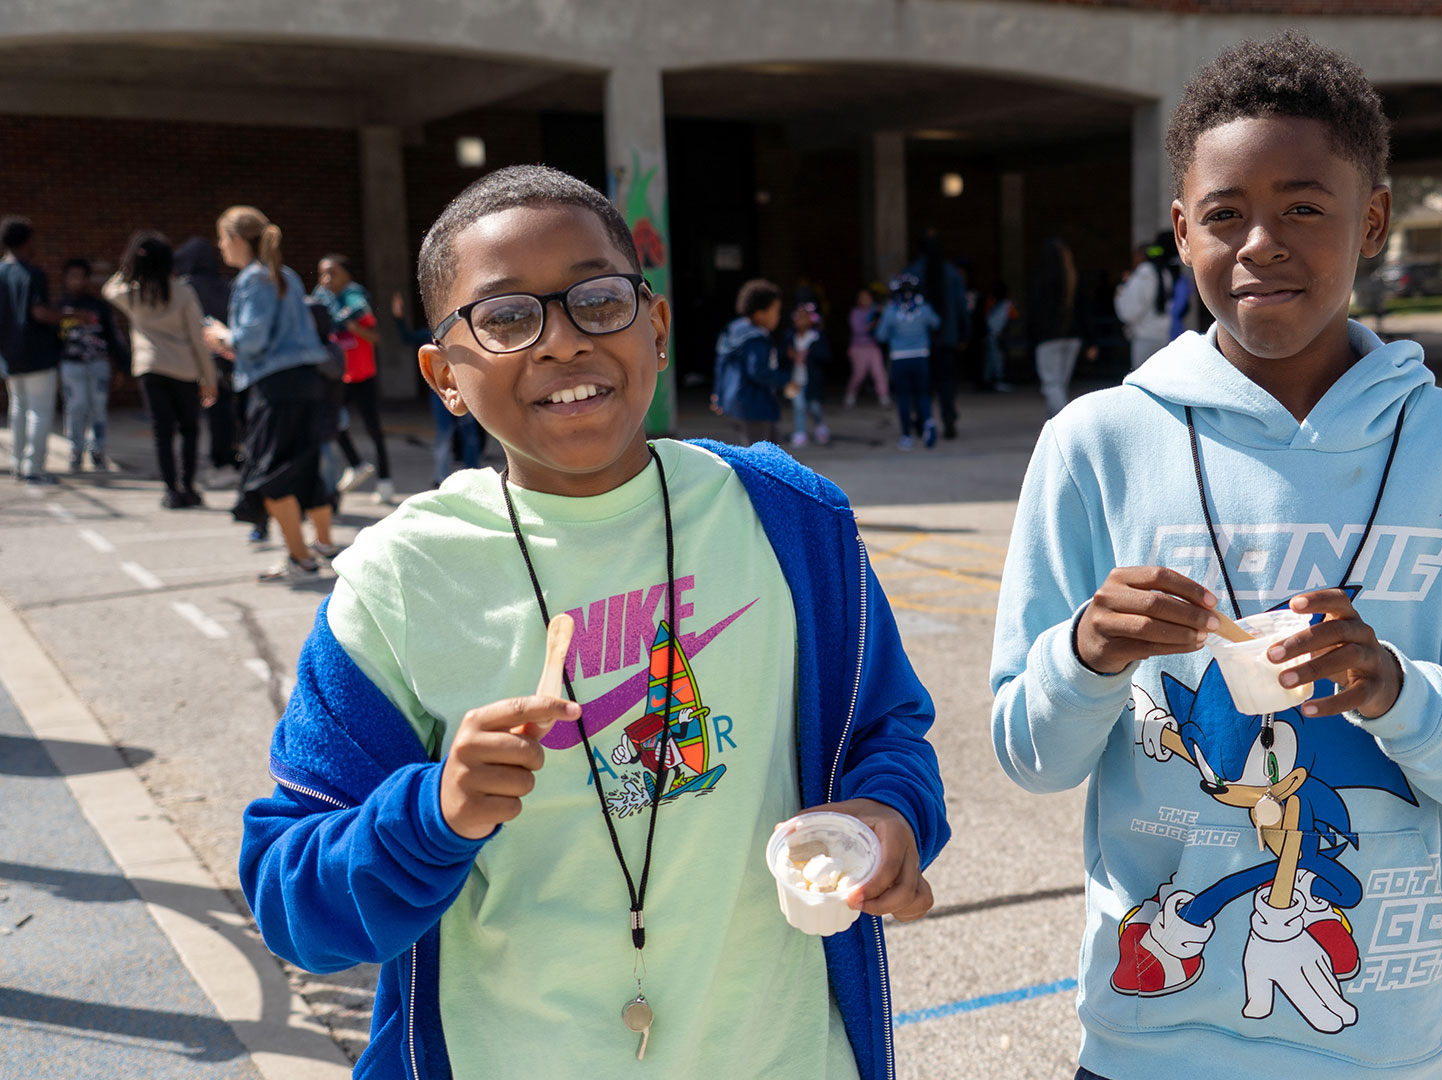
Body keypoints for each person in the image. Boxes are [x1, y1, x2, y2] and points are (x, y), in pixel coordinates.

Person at [237, 164, 949, 1080]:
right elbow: (291, 899)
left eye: (597, 301)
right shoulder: (399, 581)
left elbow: (888, 733)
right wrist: (434, 813)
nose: (561, 343)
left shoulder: (789, 517)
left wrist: (887, 817)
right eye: (504, 319)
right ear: (444, 377)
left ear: (655, 325)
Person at [989, 34, 1442, 1080]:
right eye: (1225, 213)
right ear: (1181, 232)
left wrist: (1401, 693)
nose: (1262, 242)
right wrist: (1083, 654)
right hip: (1146, 1044)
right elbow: (1028, 757)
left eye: (1304, 206)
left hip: (1391, 1045)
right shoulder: (1097, 445)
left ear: (1374, 221)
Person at [203, 205, 341, 581]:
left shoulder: (253, 279)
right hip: (307, 382)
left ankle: (301, 559)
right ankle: (321, 546)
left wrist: (219, 336)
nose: (219, 246)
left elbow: (251, 338)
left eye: (221, 238)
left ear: (235, 239)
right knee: (305, 468)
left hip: (276, 388)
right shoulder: (287, 275)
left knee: (267, 475)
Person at [104, 232, 218, 509]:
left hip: (150, 368)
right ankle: (188, 486)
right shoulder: (181, 291)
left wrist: (134, 260)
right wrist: (210, 380)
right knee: (189, 429)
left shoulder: (130, 292)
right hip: (185, 370)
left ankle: (170, 490)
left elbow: (109, 287)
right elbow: (198, 339)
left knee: (161, 431)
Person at [313, 255, 395, 504]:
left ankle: (385, 480)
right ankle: (356, 463)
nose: (326, 279)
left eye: (332, 273)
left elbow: (375, 337)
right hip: (338, 376)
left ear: (347, 275)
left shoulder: (355, 297)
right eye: (322, 274)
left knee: (373, 429)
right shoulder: (323, 297)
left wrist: (354, 328)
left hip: (362, 375)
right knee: (332, 421)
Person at [392, 290, 483, 484]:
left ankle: (473, 475)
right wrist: (398, 317)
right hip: (443, 392)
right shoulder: (430, 333)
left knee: (469, 434)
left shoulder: (469, 331)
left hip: (466, 388)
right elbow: (407, 338)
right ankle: (442, 477)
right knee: (446, 433)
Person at [0, 217, 65, 483]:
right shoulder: (32, 274)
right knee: (39, 410)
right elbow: (39, 312)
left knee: (17, 408)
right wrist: (69, 315)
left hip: (8, 355)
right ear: (27, 241)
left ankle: (17, 462)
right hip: (36, 353)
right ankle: (33, 467)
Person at [56, 256, 129, 471]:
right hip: (71, 365)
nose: (77, 281)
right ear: (66, 279)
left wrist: (121, 366)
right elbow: (54, 339)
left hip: (98, 364)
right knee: (75, 408)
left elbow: (113, 337)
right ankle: (75, 450)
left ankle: (98, 450)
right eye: (72, 277)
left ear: (87, 279)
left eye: (81, 277)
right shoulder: (60, 307)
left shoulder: (99, 306)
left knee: (98, 408)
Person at [177, 237, 242, 473]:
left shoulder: (185, 286)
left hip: (201, 356)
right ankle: (228, 453)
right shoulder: (226, 284)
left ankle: (217, 459)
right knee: (227, 409)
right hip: (228, 354)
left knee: (207, 412)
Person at [712, 279, 788, 445]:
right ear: (760, 313)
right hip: (755, 406)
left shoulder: (733, 329)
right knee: (761, 457)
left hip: (735, 402)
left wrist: (718, 394)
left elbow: (721, 364)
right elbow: (758, 371)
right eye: (776, 311)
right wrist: (786, 381)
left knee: (773, 449)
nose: (778, 316)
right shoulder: (756, 339)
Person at [906, 230, 967, 439]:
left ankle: (922, 421)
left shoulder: (913, 272)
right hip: (947, 338)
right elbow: (961, 306)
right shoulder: (951, 273)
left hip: (918, 340)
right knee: (947, 381)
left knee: (922, 383)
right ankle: (948, 417)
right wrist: (964, 332)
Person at [874, 273, 941, 451]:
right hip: (920, 356)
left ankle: (906, 436)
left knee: (903, 397)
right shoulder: (924, 308)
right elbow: (936, 323)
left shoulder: (890, 311)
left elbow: (881, 335)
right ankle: (928, 422)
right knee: (922, 394)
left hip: (899, 358)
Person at [1028, 236, 1082, 417]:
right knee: (1060, 385)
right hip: (1072, 337)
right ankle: (1051, 425)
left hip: (1049, 338)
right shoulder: (1073, 278)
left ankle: (1064, 424)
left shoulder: (1041, 280)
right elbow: (1084, 310)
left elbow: (1034, 313)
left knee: (1052, 385)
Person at [1114, 233, 1178, 371]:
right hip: (1162, 333)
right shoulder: (1165, 273)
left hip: (1144, 335)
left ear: (1141, 256)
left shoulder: (1143, 275)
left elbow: (1130, 312)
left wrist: (1122, 290)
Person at [785, 301, 830, 447]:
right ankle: (800, 432)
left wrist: (809, 354)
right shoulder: (790, 336)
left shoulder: (817, 336)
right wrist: (789, 354)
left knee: (814, 406)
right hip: (795, 378)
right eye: (797, 317)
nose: (799, 320)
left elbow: (826, 356)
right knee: (798, 406)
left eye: (804, 317)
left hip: (812, 379)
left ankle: (819, 425)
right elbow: (781, 353)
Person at [842, 287, 889, 407]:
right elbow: (858, 330)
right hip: (859, 347)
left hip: (873, 346)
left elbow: (885, 322)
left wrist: (881, 314)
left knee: (879, 373)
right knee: (859, 374)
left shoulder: (875, 310)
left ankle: (884, 396)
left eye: (867, 298)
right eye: (862, 298)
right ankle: (850, 394)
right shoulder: (855, 313)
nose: (865, 300)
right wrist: (872, 326)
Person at [980, 281, 1016, 393]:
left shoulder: (1002, 304)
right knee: (994, 359)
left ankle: (993, 381)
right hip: (993, 334)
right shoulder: (998, 304)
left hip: (995, 334)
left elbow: (1014, 319)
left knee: (994, 359)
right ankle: (994, 381)